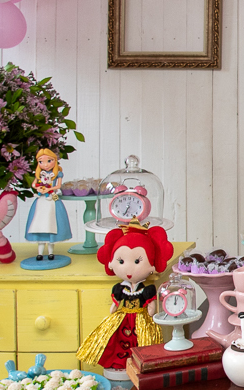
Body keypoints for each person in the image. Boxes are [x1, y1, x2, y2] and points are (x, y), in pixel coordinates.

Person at [75, 222, 175, 375]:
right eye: (121, 262)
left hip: (140, 318)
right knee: (115, 340)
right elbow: (116, 302)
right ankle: (119, 363)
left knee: (140, 342)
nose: (129, 269)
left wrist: (151, 309)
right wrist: (114, 307)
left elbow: (150, 305)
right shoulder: (120, 288)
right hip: (123, 317)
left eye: (137, 262)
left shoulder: (146, 289)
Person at [24, 148, 72, 260]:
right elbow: (33, 185)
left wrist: (49, 189)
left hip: (51, 200)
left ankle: (51, 252)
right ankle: (40, 253)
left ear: (54, 160)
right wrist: (39, 188)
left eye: (49, 161)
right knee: (39, 223)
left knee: (52, 224)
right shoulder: (40, 174)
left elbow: (58, 186)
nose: (45, 164)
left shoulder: (57, 174)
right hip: (41, 201)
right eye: (41, 161)